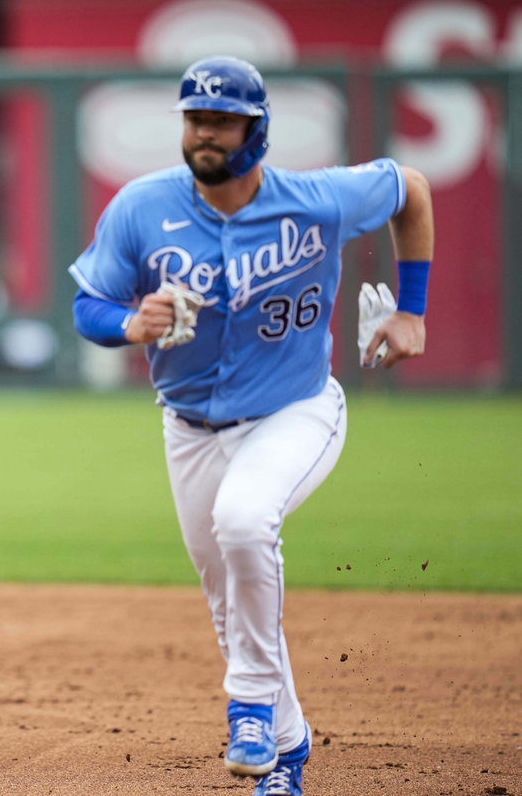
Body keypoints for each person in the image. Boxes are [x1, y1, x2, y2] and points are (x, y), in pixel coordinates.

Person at [69, 56, 432, 796]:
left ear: (257, 129)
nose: (204, 132)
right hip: (189, 427)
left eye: (221, 119)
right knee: (229, 601)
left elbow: (412, 190)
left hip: (295, 410)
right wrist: (133, 322)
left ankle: (248, 709)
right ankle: (287, 756)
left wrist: (413, 309)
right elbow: (87, 309)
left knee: (244, 521)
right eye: (195, 118)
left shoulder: (316, 199)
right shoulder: (143, 207)